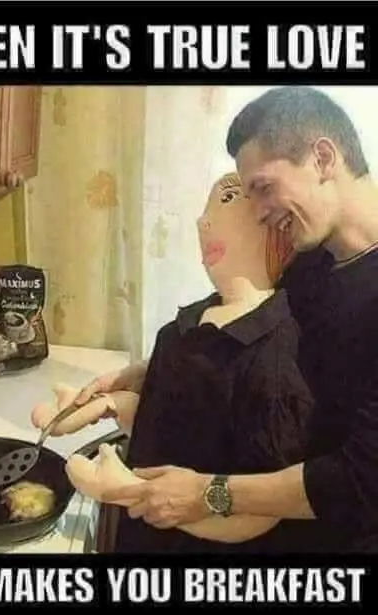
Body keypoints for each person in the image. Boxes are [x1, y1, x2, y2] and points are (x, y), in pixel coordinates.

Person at [81, 86, 378, 552]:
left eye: (263, 187)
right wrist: (146, 373)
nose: (257, 213)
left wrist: (208, 493)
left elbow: (361, 479)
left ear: (323, 159)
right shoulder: (312, 259)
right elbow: (255, 343)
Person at [35, 170, 331, 552]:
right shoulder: (194, 321)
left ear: (276, 221)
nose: (202, 221)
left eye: (227, 199)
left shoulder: (273, 362)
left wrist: (129, 491)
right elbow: (180, 420)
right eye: (206, 208)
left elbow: (261, 510)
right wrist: (105, 405)